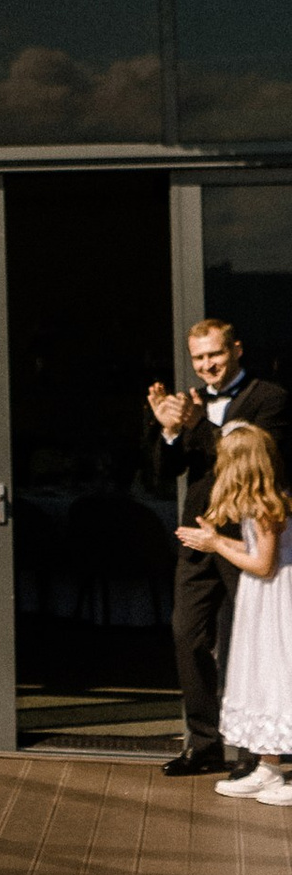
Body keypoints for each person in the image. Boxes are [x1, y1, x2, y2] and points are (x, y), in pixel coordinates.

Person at [149, 321, 291, 776]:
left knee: (251, 644)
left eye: (215, 355)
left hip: (250, 535)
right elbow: (162, 471)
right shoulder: (190, 404)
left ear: (236, 350)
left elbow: (250, 458)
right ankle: (204, 744)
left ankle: (257, 754)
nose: (207, 365)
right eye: (198, 358)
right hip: (199, 536)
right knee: (186, 634)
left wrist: (199, 426)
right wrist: (169, 431)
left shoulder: (269, 398)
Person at [189, 427, 292, 807]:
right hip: (264, 598)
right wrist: (215, 540)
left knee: (282, 674)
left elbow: (264, 565)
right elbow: (255, 551)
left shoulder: (266, 507)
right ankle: (269, 764)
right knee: (264, 674)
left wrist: (216, 543)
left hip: (276, 597)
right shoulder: (258, 504)